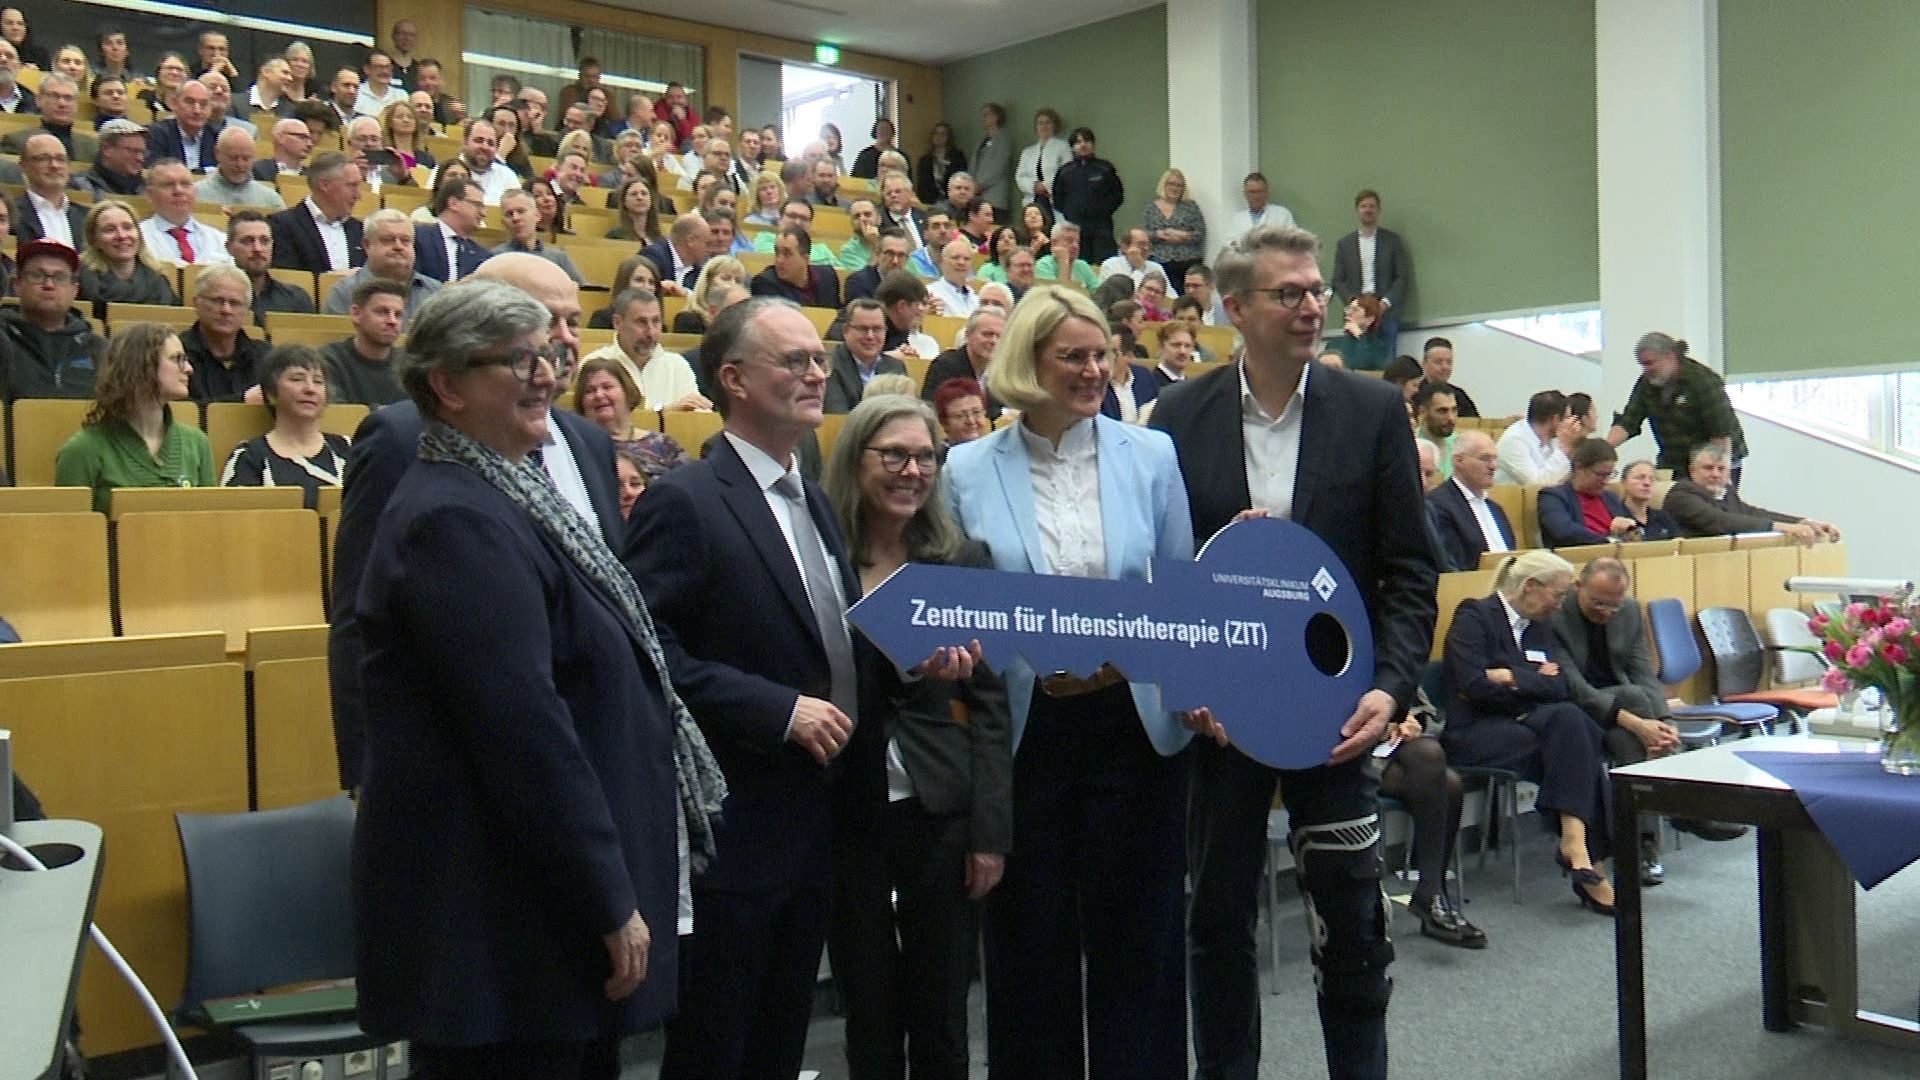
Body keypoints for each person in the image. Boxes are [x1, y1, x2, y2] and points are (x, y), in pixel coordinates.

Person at [351, 279, 722, 1079]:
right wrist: (608, 897)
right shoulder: (454, 519)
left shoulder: (508, 496)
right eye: (517, 361)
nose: (546, 374)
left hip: (533, 918)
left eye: (548, 354)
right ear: (448, 386)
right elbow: (522, 732)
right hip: (503, 925)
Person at [624, 296, 974, 1080]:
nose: (818, 372)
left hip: (822, 823)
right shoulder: (686, 499)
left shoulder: (812, 498)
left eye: (819, 358)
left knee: (779, 1047)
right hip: (738, 828)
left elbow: (829, 648)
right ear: (733, 379)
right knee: (718, 1049)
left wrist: (911, 663)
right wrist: (774, 709)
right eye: (795, 360)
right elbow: (644, 652)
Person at [1151, 223, 1433, 1080]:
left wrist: (1391, 688)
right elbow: (1165, 571)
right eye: (1290, 293)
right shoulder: (1178, 416)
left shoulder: (1373, 412)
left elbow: (1410, 571)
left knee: (1353, 923)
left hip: (1338, 712)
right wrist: (1187, 680)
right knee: (1217, 923)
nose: (1314, 306)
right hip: (1223, 718)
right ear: (1235, 307)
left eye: (1317, 291)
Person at [942, 283, 1194, 1080]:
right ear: (1029, 361)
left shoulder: (1151, 455)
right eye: (1072, 356)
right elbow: (957, 599)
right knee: (1029, 946)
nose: (1092, 371)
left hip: (1135, 724)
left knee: (1142, 945)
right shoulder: (965, 467)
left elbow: (1179, 592)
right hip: (1028, 733)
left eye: (1100, 356)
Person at [331, 253, 625, 792]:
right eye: (542, 320)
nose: (562, 340)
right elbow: (358, 617)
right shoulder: (401, 438)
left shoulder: (591, 443)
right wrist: (366, 772)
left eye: (573, 322)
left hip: (599, 748)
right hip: (464, 767)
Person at [823, 394, 1010, 1080]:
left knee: (943, 1019)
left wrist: (991, 834)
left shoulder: (962, 561)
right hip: (848, 809)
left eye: (926, 457)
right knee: (868, 1017)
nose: (913, 471)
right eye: (895, 455)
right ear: (857, 460)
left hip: (943, 813)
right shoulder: (823, 557)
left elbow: (991, 707)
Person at [1549, 557, 1749, 888]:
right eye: (1598, 603)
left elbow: (1642, 670)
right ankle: (1681, 807)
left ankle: (1641, 844)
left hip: (1622, 718)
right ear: (1578, 587)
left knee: (1632, 737)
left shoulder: (1629, 611)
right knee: (1633, 699)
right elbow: (1573, 687)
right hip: (1573, 713)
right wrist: (1639, 723)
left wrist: (1663, 722)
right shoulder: (1555, 614)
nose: (1606, 612)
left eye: (1613, 605)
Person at [1440, 550, 1615, 914]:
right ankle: (1587, 859)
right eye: (1558, 595)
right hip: (1475, 733)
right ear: (1530, 586)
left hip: (1530, 726)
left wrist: (1508, 676)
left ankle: (1578, 847)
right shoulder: (1475, 615)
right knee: (1576, 736)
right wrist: (1531, 680)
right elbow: (1473, 687)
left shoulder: (1540, 626)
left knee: (1573, 730)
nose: (1561, 604)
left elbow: (1562, 687)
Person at [54, 322, 214, 512]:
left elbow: (211, 521)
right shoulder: (83, 450)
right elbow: (70, 527)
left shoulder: (197, 443)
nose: (188, 368)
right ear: (141, 365)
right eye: (176, 359)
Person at [1606, 331, 1747, 480]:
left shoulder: (1703, 381)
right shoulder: (1646, 384)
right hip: (1674, 460)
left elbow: (1720, 434)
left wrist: (1716, 473)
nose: (1646, 370)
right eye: (1642, 365)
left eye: (1650, 363)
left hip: (1715, 459)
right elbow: (1628, 422)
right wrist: (1603, 449)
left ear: (1670, 356)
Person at [219, 344, 349, 504]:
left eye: (318, 381)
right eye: (297, 379)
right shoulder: (249, 456)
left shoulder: (349, 448)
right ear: (271, 392)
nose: (310, 389)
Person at [1663, 443, 1840, 543]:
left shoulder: (1726, 491)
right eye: (1708, 468)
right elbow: (1721, 521)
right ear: (1692, 471)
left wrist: (1803, 522)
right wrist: (1783, 527)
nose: (1715, 474)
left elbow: (1750, 513)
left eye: (1721, 469)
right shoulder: (1681, 494)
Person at [2, 239, 105, 399]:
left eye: (60, 277)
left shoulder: (98, 349)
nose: (49, 284)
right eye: (37, 275)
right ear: (17, 284)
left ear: (75, 290)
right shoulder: (3, 339)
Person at [569, 355, 693, 485]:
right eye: (589, 391)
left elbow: (690, 486)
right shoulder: (577, 448)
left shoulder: (663, 444)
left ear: (627, 393)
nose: (599, 395)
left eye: (607, 387)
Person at [580, 288, 708, 411]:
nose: (651, 332)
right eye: (641, 322)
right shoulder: (593, 364)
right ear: (617, 323)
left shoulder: (678, 365)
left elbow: (694, 413)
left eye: (656, 321)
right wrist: (666, 412)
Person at [324, 209, 441, 317]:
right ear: (367, 245)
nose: (398, 246)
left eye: (405, 241)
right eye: (388, 240)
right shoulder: (344, 292)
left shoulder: (435, 292)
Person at [1330, 189, 1411, 344]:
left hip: (1386, 314)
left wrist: (1385, 303)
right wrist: (1353, 303)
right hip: (1356, 314)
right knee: (1355, 357)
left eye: (1372, 206)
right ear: (1357, 210)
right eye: (1363, 206)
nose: (1368, 210)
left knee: (1386, 358)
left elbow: (1402, 278)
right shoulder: (1345, 244)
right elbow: (1337, 280)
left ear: (1378, 210)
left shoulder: (1393, 241)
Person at [1428, 430, 1515, 572]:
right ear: (1459, 461)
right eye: (1485, 458)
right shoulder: (1438, 505)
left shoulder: (1495, 508)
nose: (1494, 466)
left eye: (1495, 459)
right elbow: (1452, 566)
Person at [269, 153, 367, 274]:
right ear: (324, 185)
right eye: (352, 185)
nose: (359, 195)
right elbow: (287, 277)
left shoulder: (359, 229)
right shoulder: (282, 225)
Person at [182, 265, 269, 402]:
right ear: (196, 303)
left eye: (235, 303)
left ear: (247, 312)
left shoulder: (265, 356)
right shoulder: (177, 354)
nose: (226, 310)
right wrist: (241, 400)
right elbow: (179, 409)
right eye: (217, 301)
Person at [78, 200, 180, 308]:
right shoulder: (79, 279)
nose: (121, 236)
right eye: (110, 230)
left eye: (127, 227)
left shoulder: (157, 279)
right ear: (94, 240)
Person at [1539, 438, 1639, 547]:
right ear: (1579, 468)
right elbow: (1565, 531)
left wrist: (1631, 529)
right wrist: (1610, 541)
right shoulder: (1553, 497)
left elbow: (1634, 529)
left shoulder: (1610, 497)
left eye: (1609, 474)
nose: (1605, 481)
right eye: (1600, 475)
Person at [323, 279, 409, 405]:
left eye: (398, 314)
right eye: (382, 312)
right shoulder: (329, 360)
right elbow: (339, 413)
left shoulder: (410, 365)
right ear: (356, 314)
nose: (392, 321)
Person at [227, 209, 316, 326]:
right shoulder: (218, 297)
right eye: (247, 241)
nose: (257, 248)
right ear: (229, 248)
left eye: (264, 241)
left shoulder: (296, 298)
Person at [1049, 128, 1123, 263]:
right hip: (1075, 227)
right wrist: (1072, 213)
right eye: (1078, 142)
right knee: (1079, 263)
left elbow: (1117, 195)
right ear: (1072, 147)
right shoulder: (1065, 171)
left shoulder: (1105, 168)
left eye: (1086, 141)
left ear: (1093, 144)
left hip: (1101, 226)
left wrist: (1103, 211)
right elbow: (1057, 198)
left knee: (1105, 262)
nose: (1083, 145)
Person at [918, 306, 1005, 418]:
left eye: (999, 336)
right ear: (968, 335)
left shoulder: (1001, 370)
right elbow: (935, 410)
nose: (994, 341)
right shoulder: (946, 365)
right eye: (987, 334)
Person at [139, 159, 229, 266]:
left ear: (195, 191)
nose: (179, 191)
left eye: (185, 184)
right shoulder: (138, 238)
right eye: (168, 184)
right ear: (149, 194)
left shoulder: (220, 239)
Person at [825, 299, 908, 413]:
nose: (870, 336)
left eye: (877, 329)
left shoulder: (895, 366)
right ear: (845, 331)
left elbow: (908, 411)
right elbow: (837, 416)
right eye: (863, 329)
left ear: (885, 331)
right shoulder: (830, 365)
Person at [495, 187, 585, 286]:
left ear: (537, 216)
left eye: (521, 211)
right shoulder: (495, 258)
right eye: (509, 214)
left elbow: (583, 291)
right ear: (503, 223)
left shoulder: (559, 257)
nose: (515, 218)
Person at [414, 178, 491, 284]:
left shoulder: (482, 256)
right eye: (477, 205)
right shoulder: (418, 237)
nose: (483, 214)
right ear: (454, 203)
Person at [13, 133, 85, 245]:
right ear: (23, 166)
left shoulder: (87, 216)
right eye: (43, 159)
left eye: (60, 159)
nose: (54, 165)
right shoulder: (10, 214)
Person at [0, 73, 92, 161]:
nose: (62, 103)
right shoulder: (17, 141)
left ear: (76, 104)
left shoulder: (92, 145)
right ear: (39, 100)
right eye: (54, 96)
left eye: (68, 98)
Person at [1494, 389, 1574, 486]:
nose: (1572, 423)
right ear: (1555, 419)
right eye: (1568, 418)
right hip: (1512, 495)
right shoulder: (1514, 441)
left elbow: (1569, 478)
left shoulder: (1554, 438)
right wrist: (1563, 448)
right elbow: (1536, 485)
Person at [750, 226, 840, 309]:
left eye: (787, 254)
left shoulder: (828, 276)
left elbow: (836, 314)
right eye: (777, 252)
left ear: (805, 258)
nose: (779, 260)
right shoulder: (765, 283)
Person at [196, 127, 286, 210]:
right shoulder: (196, 194)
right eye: (233, 158)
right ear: (217, 153)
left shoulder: (270, 199)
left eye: (246, 158)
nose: (240, 164)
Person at [1143, 169, 1206, 286]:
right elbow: (1144, 234)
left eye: (1179, 185)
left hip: (1188, 262)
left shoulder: (1191, 207)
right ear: (1163, 185)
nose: (1175, 188)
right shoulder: (1150, 209)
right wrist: (1160, 234)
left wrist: (1182, 235)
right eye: (1171, 184)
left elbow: (1200, 234)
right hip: (1159, 261)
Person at [1222, 172, 1296, 248]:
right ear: (1245, 194)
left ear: (1267, 193)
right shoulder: (1238, 218)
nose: (1256, 196)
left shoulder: (1282, 214)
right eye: (1252, 192)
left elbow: (1293, 241)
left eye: (1260, 191)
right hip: (1246, 255)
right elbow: (1230, 243)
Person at [673, 256, 745, 335]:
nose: (733, 285)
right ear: (708, 281)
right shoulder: (689, 318)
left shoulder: (744, 321)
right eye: (726, 278)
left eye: (738, 281)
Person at [1014, 107, 1069, 210]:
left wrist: (1046, 186)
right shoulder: (1028, 152)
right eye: (1040, 123)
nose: (1044, 126)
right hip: (1032, 202)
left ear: (1054, 125)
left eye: (1048, 123)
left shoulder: (1063, 147)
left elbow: (1067, 173)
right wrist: (1034, 186)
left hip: (1054, 201)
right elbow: (1020, 177)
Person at [1101, 328, 1157, 423]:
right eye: (1102, 354)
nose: (1106, 360)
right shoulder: (1097, 384)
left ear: (1129, 356)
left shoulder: (1144, 376)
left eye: (1112, 353)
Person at [1618, 458, 1681, 540]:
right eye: (1640, 477)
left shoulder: (1663, 517)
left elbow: (1679, 543)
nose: (1647, 483)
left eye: (1652, 479)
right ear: (1624, 482)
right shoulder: (1615, 516)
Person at [1416, 337, 1480, 417]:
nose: (1445, 367)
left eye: (1449, 362)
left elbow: (1474, 422)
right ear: (1424, 363)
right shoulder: (1414, 394)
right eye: (1438, 362)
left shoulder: (1459, 396)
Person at [914, 121, 968, 206]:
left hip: (953, 203)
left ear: (948, 137)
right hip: (930, 203)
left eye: (943, 134)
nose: (939, 136)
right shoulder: (925, 160)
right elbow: (922, 186)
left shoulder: (957, 157)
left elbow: (962, 179)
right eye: (936, 133)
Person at [1034, 222, 1101, 291]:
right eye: (1069, 241)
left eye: (1077, 242)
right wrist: (1064, 262)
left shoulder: (1082, 265)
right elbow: (1059, 295)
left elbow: (1100, 293)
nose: (1075, 246)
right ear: (1054, 243)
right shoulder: (1044, 265)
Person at [1411, 383, 1457, 475]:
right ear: (1423, 411)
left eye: (1454, 410)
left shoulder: (1461, 446)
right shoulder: (1410, 445)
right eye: (1443, 411)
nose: (1451, 418)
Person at [931, 377, 989, 445]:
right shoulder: (939, 452)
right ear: (944, 423)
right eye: (960, 416)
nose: (971, 421)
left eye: (976, 412)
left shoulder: (993, 448)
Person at [608, 177, 663, 243]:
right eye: (634, 194)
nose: (640, 197)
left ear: (651, 200)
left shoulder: (661, 239)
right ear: (624, 201)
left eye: (644, 193)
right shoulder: (615, 236)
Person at [1151, 318, 1199, 389]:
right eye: (1176, 345)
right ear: (1161, 347)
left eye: (1187, 346)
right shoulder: (1149, 384)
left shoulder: (1193, 387)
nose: (1182, 351)